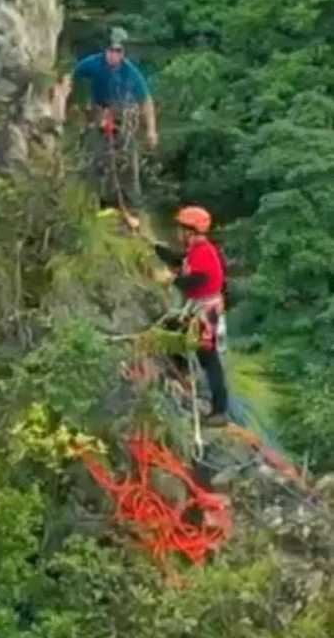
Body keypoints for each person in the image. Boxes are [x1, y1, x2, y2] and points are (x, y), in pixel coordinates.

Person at [62, 27, 158, 207]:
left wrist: (152, 130)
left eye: (118, 52)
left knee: (127, 159)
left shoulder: (130, 71)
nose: (114, 55)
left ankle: (131, 203)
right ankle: (93, 199)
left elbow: (146, 100)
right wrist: (67, 100)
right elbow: (71, 74)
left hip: (124, 115)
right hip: (99, 112)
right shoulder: (93, 63)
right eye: (111, 51)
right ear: (105, 51)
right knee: (98, 156)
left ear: (123, 54)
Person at [154, 205, 229, 427]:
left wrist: (171, 280)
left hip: (206, 311)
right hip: (199, 307)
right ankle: (182, 374)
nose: (177, 233)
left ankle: (219, 411)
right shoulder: (196, 249)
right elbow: (179, 260)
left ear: (190, 231)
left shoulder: (204, 251)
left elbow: (198, 280)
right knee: (174, 331)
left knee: (209, 358)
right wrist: (153, 247)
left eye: (180, 229)